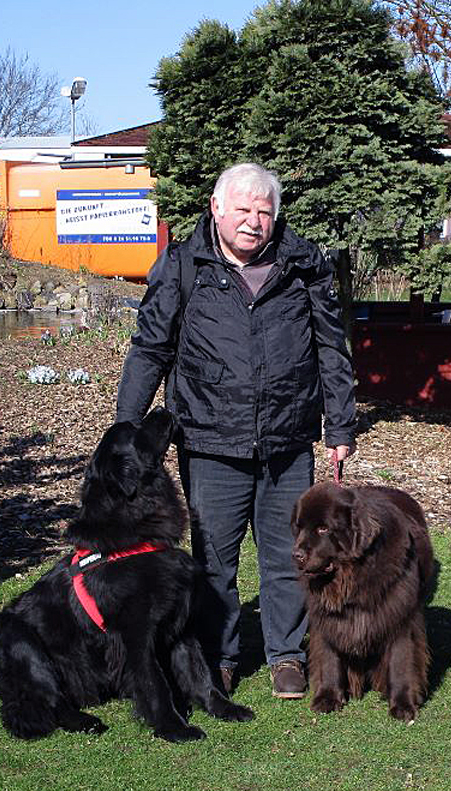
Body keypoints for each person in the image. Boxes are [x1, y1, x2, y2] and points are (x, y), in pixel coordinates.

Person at [115, 162, 356, 700]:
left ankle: (287, 656)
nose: (253, 221)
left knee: (289, 553)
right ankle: (218, 658)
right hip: (209, 440)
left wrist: (340, 424)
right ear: (217, 209)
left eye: (263, 212)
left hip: (287, 440)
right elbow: (150, 349)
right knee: (214, 559)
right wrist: (126, 432)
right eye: (243, 210)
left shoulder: (303, 265)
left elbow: (331, 350)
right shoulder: (183, 265)